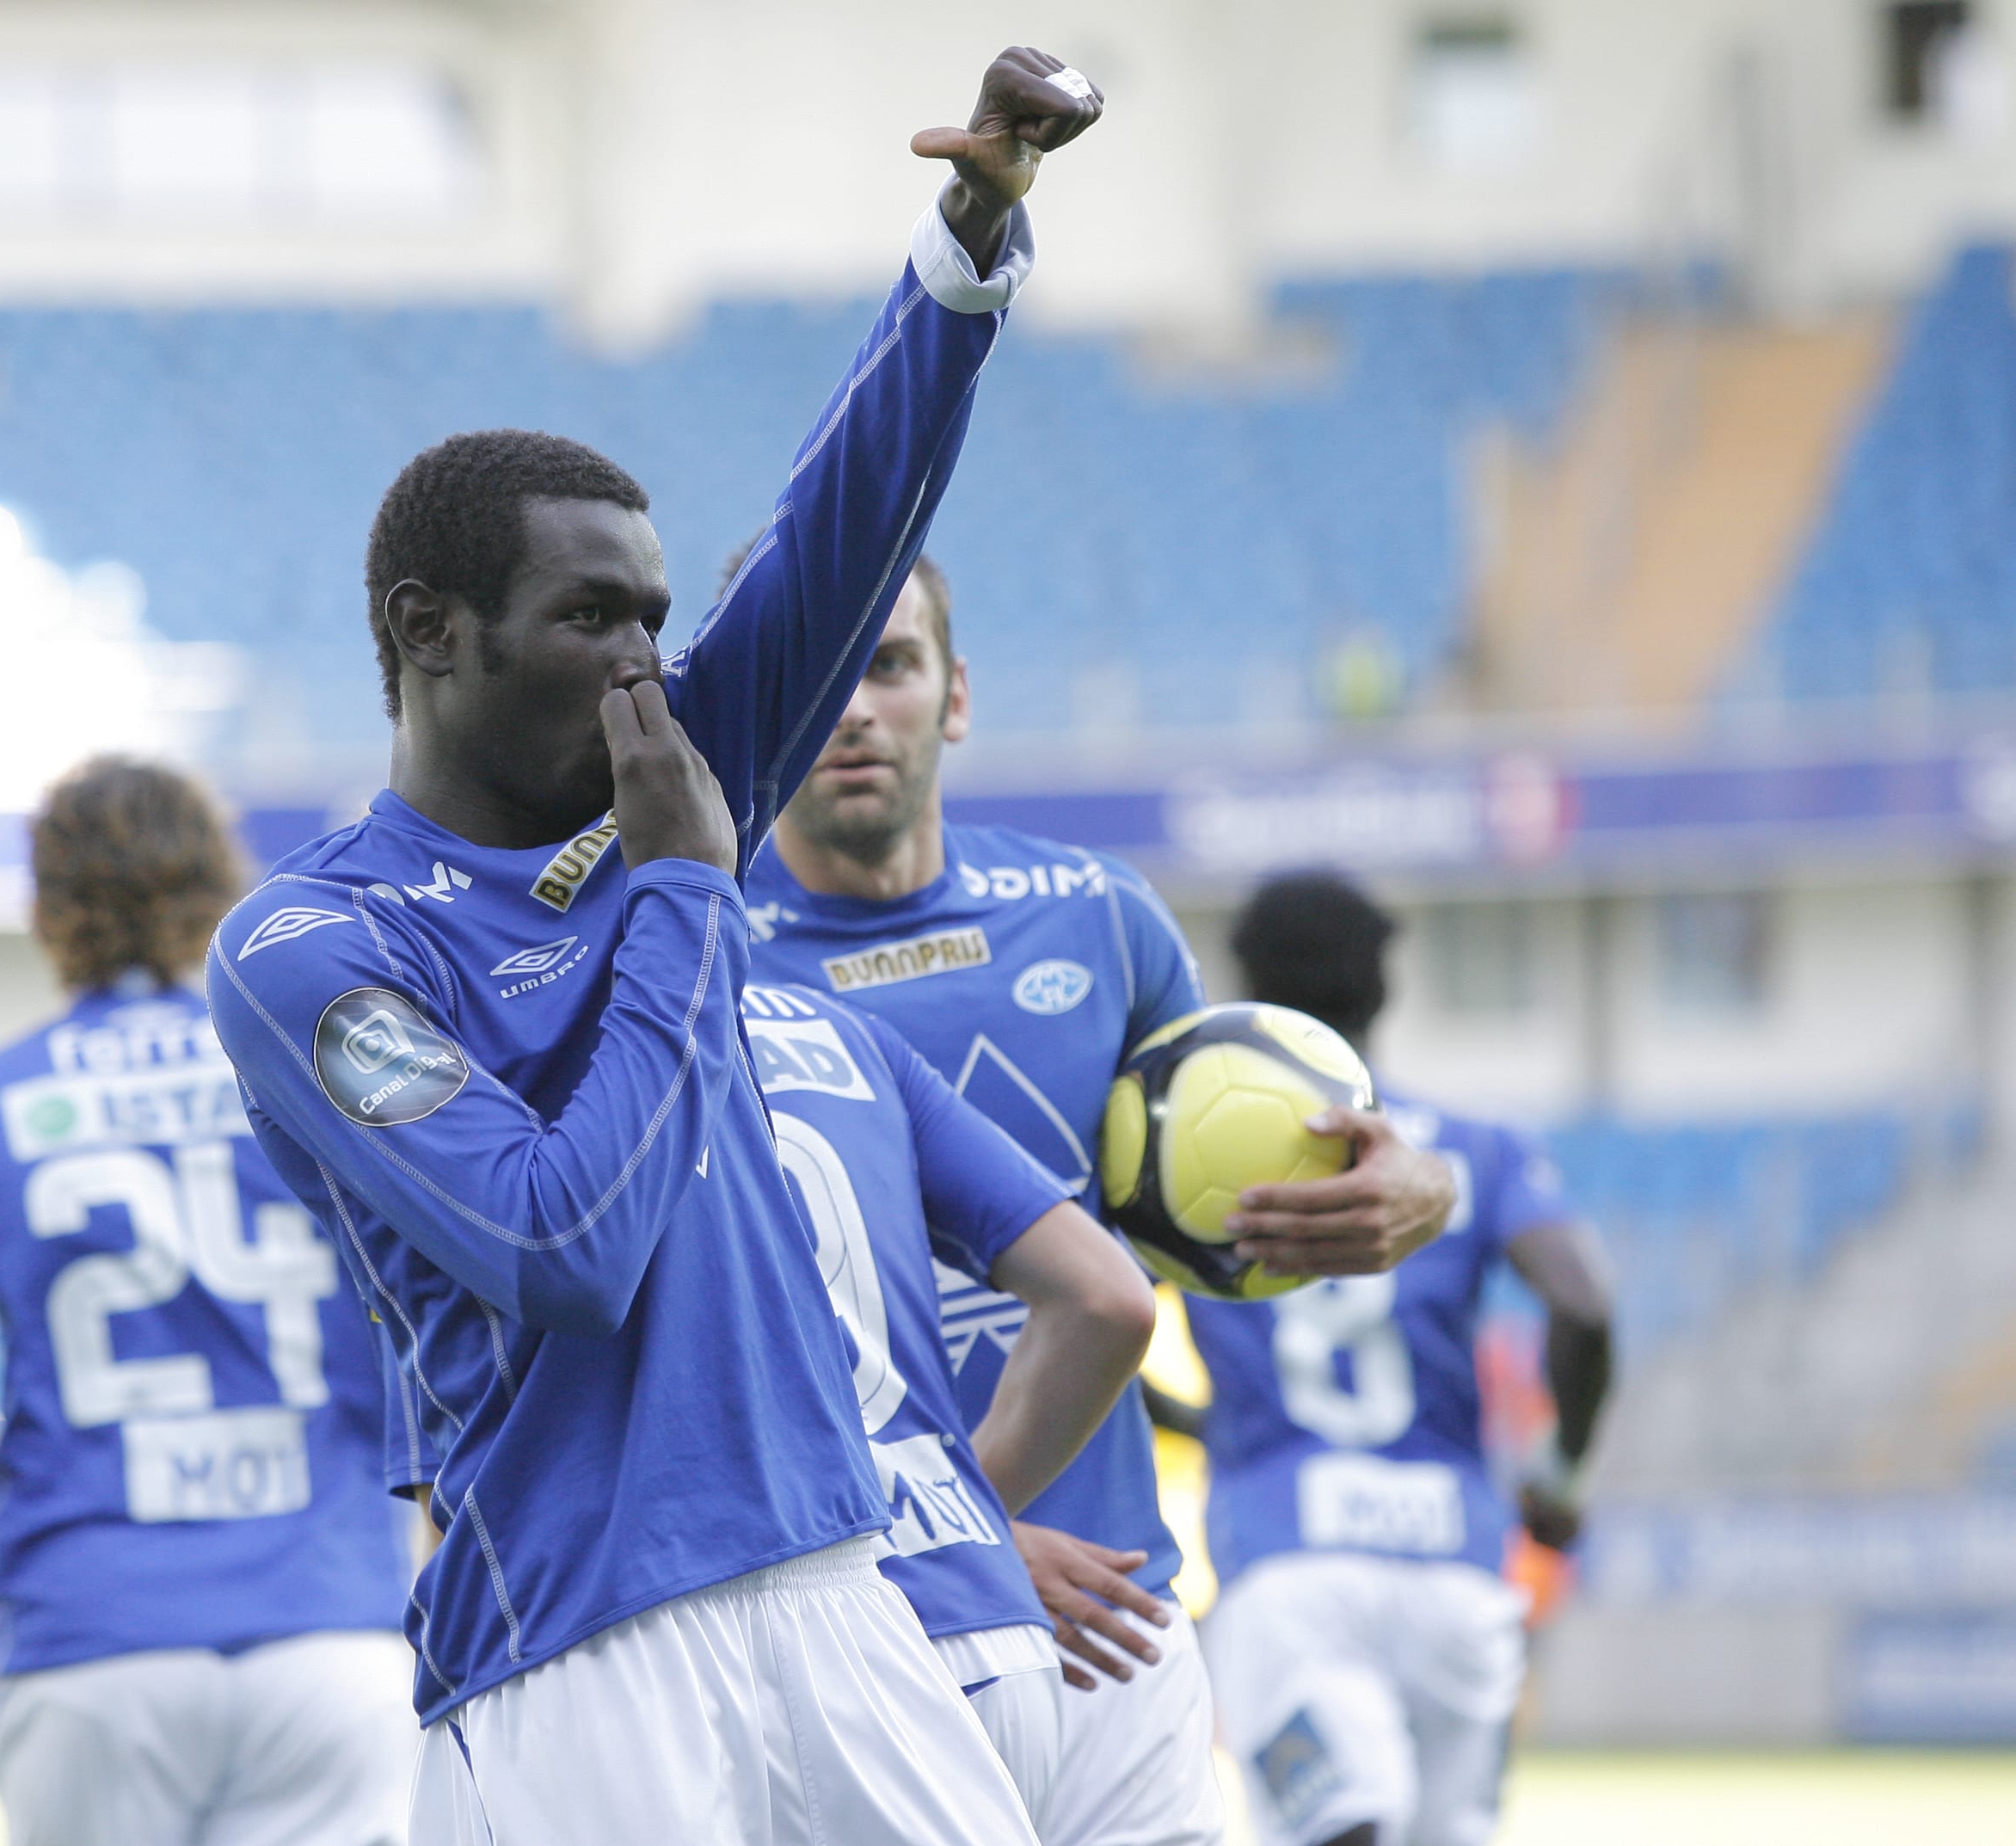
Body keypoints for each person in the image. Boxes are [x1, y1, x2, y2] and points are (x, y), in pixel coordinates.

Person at [206, 46, 1102, 1843]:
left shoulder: (671, 774)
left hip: (842, 1585)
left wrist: (969, 236)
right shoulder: (310, 940)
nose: (641, 664)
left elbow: (841, 538)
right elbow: (559, 1244)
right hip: (576, 1641)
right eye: (587, 619)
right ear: (430, 631)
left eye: (653, 618)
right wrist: (689, 890)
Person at [744, 561, 1460, 1846]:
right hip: (852, 1639)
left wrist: (1417, 1185)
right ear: (756, 705)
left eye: (890, 664)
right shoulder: (690, 957)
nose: (852, 706)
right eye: (816, 669)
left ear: (955, 695)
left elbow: (1251, 1159)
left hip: (1114, 1629)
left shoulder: (1096, 915)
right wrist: (949, 1539)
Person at [0, 756, 415, 1846]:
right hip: (327, 1621)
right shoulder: (314, 1075)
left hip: (96, 1634)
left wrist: (4, 1452)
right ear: (219, 885)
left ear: (46, 911)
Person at [1185, 871, 1615, 1846]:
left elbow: (1098, 1308)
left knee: (1340, 1830)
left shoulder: (1192, 1154)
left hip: (1284, 1558)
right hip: (1458, 1571)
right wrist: (1563, 1475)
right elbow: (1584, 1308)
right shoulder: (1478, 1147)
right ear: (1384, 986)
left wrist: (1194, 1422)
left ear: (1246, 983)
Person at [736, 977, 1157, 1823]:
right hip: (988, 1624)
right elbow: (1109, 1298)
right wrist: (965, 1513)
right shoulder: (844, 1032)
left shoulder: (558, 1042)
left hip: (772, 1640)